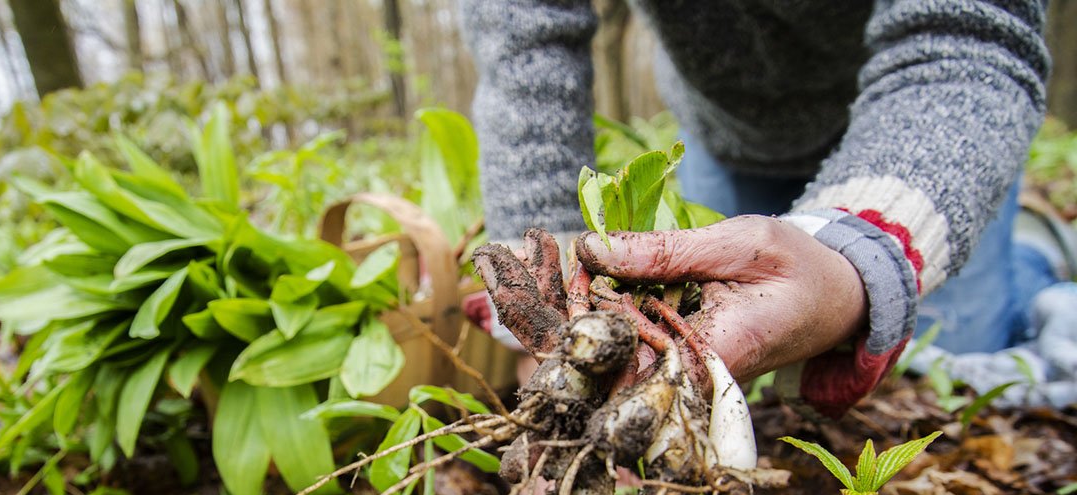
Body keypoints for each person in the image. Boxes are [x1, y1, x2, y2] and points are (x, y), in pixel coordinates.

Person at [458, 0, 1076, 417]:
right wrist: (542, 281)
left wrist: (860, 252)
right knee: (732, 358)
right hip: (729, 131)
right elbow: (524, 33)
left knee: (947, 356)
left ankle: (1034, 254)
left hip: (924, 126)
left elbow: (968, 39)